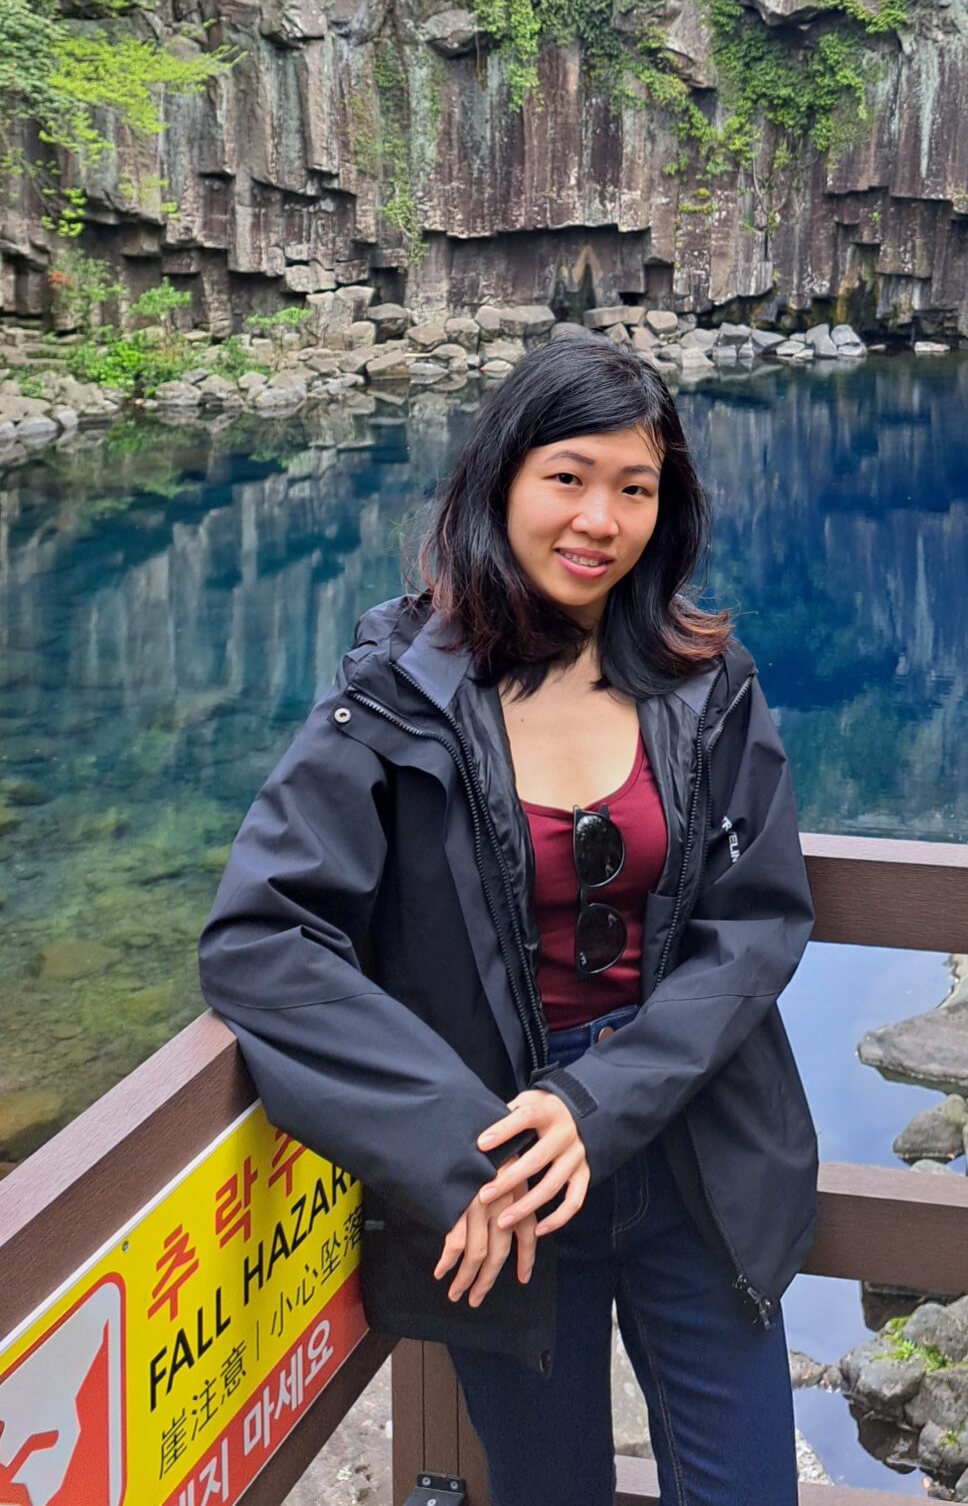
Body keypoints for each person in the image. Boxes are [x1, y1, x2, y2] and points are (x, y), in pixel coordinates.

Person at [200, 337, 818, 1506]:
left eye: (635, 488)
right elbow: (263, 939)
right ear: (502, 480)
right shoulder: (401, 692)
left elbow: (757, 921)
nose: (600, 520)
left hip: (694, 1142)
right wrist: (454, 1148)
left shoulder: (704, 679)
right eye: (568, 478)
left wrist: (598, 1101)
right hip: (501, 1180)